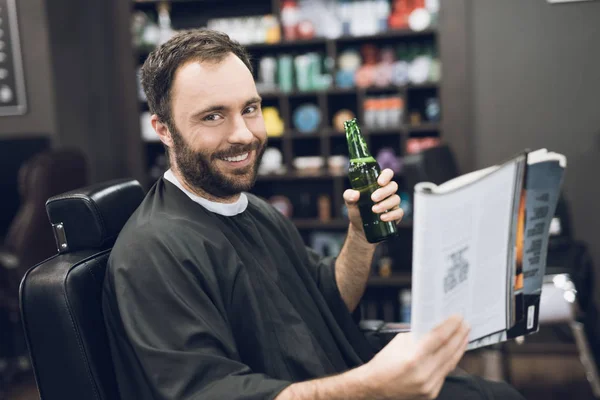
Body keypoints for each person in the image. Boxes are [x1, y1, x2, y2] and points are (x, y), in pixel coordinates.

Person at [102, 29, 525, 400]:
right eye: (213, 116)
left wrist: (360, 235)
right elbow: (211, 392)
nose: (244, 134)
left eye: (250, 109)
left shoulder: (255, 212)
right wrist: (370, 386)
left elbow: (330, 300)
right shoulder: (153, 254)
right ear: (162, 129)